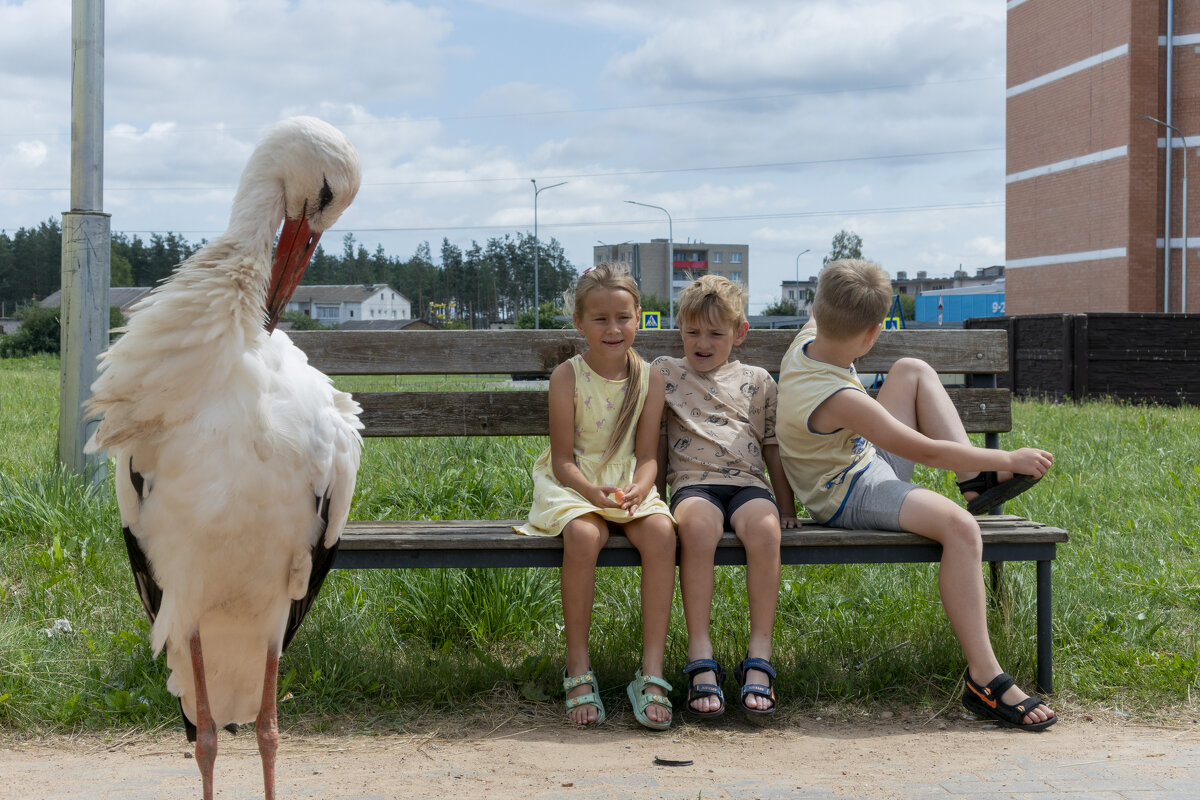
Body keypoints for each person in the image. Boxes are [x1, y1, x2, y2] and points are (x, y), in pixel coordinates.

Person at [775, 259, 1057, 731]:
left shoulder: (806, 339)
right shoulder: (838, 399)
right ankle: (984, 679)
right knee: (960, 529)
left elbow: (840, 297)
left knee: (910, 369)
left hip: (860, 460)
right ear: (872, 335)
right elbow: (923, 451)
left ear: (815, 309)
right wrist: (1009, 459)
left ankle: (974, 482)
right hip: (847, 494)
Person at [516, 263, 678, 730]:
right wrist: (591, 492)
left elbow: (648, 456)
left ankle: (651, 672)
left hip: (626, 483)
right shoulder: (567, 377)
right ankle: (578, 666)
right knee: (585, 537)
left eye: (623, 317)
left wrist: (641, 488)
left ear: (639, 318)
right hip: (574, 483)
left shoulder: (650, 379)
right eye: (600, 319)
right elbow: (563, 459)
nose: (613, 328)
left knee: (663, 534)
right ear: (579, 324)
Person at [653, 275, 798, 721]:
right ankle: (701, 652)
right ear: (679, 327)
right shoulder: (664, 373)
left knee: (765, 528)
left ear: (740, 333)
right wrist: (654, 500)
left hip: (749, 485)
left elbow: (772, 445)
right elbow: (655, 440)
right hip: (692, 484)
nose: (703, 342)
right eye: (693, 331)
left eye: (716, 333)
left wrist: (787, 504)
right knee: (696, 527)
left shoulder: (758, 380)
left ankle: (760, 652)